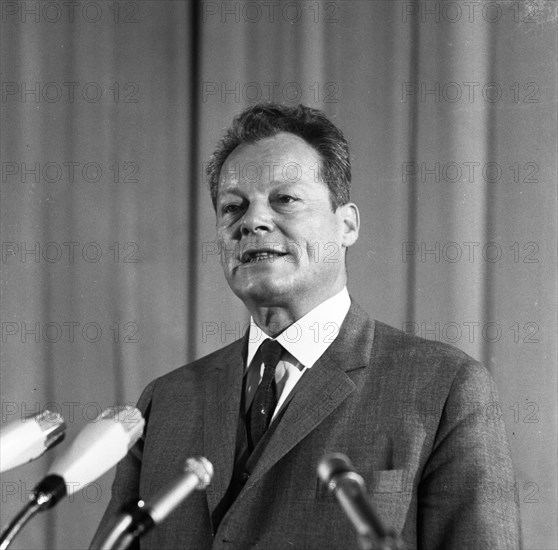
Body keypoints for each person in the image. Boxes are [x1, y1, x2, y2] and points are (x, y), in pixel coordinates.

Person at [92, 103, 521, 549]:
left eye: (285, 199)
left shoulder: (444, 387)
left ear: (347, 224)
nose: (252, 222)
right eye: (232, 207)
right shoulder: (166, 401)